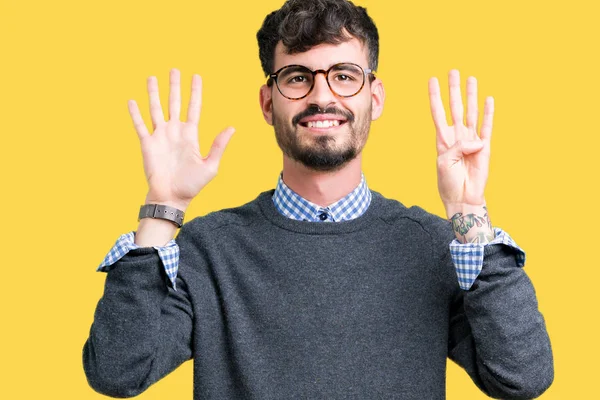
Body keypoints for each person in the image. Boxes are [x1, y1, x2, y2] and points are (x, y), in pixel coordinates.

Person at [82, 0, 553, 398]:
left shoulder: (435, 245)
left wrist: (469, 215)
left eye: (344, 75)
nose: (322, 96)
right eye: (297, 77)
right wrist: (162, 207)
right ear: (269, 103)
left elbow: (522, 377)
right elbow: (117, 372)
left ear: (376, 95)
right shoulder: (208, 248)